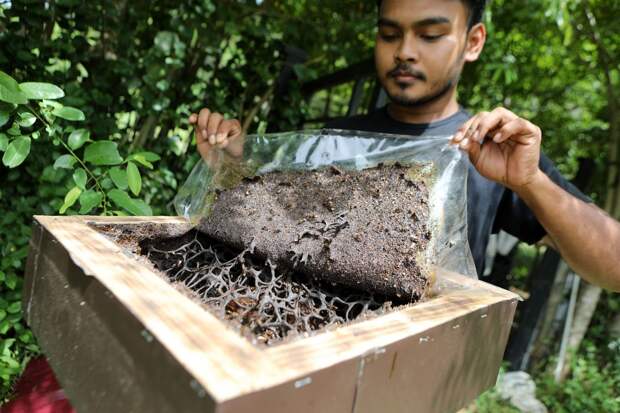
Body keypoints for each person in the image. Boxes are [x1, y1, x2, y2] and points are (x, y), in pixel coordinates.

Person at [188, 0, 620, 292]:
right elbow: (269, 232)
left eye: (430, 35)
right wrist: (229, 164)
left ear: (473, 42)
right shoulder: (336, 139)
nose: (404, 52)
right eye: (390, 34)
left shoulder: (495, 151)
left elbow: (613, 266)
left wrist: (530, 182)